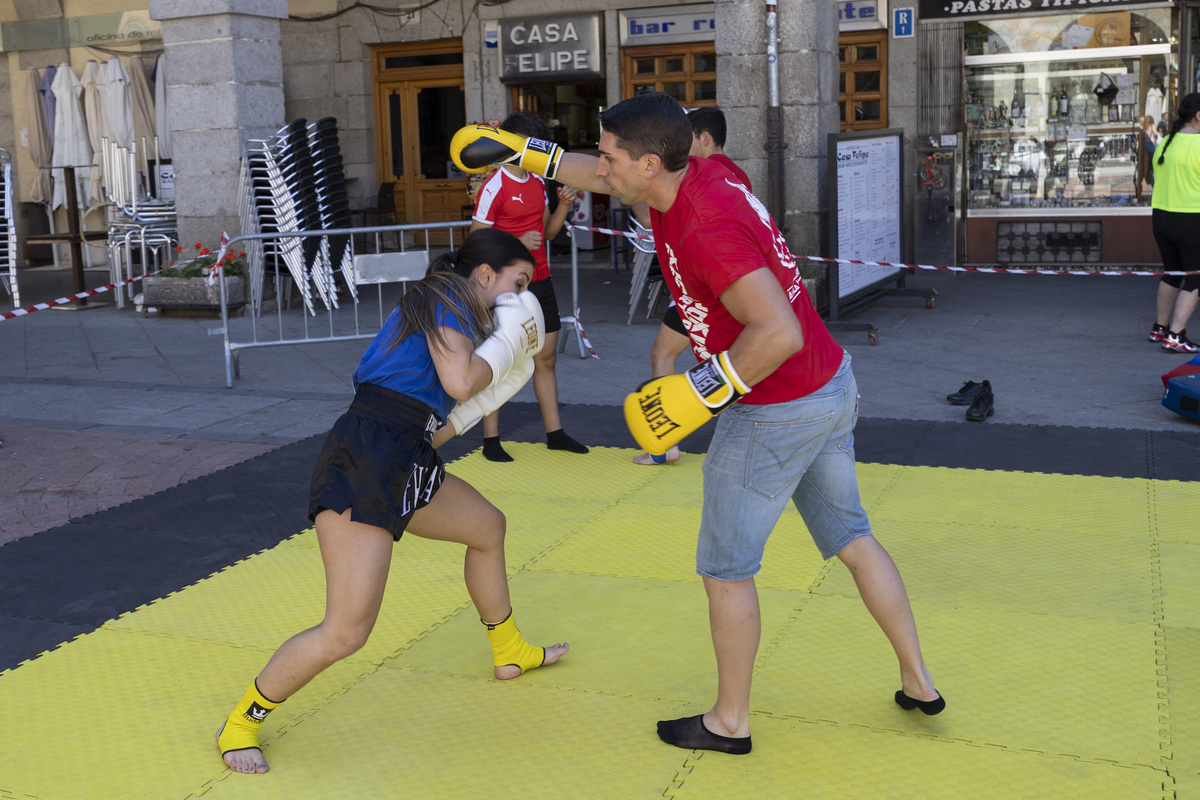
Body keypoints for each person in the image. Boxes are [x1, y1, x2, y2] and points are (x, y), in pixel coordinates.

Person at [449, 92, 943, 756]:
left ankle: (729, 722)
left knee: (727, 569)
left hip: (775, 409)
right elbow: (592, 173)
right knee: (853, 537)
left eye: (616, 156)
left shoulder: (707, 224)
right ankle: (918, 681)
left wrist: (699, 392)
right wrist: (521, 151)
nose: (605, 169)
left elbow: (778, 331)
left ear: (651, 162)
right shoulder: (700, 172)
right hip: (831, 388)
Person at [215, 228, 569, 774]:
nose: (520, 296)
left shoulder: (455, 312)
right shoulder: (445, 295)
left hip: (404, 451)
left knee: (487, 528)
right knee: (347, 631)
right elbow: (458, 381)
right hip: (367, 455)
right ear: (484, 275)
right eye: (516, 283)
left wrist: (498, 368)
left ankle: (509, 649)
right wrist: (509, 345)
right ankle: (241, 722)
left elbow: (438, 421)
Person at [631, 106, 753, 466]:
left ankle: (662, 444)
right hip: (711, 287)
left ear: (704, 139)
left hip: (706, 290)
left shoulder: (708, 173)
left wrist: (639, 191)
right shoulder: (734, 174)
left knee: (664, 354)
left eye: (688, 140)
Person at [470, 111, 588, 462]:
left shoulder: (537, 181)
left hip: (540, 279)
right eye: (531, 145)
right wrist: (516, 239)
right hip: (505, 288)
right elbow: (476, 241)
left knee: (546, 358)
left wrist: (564, 205)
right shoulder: (494, 185)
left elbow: (548, 234)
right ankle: (491, 439)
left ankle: (555, 433)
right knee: (498, 361)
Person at [1148, 93, 1200, 354]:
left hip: (1162, 217)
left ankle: (1160, 327)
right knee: (1195, 278)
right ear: (1199, 116)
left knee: (1172, 273)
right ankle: (1176, 335)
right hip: (1191, 218)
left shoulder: (1166, 141)